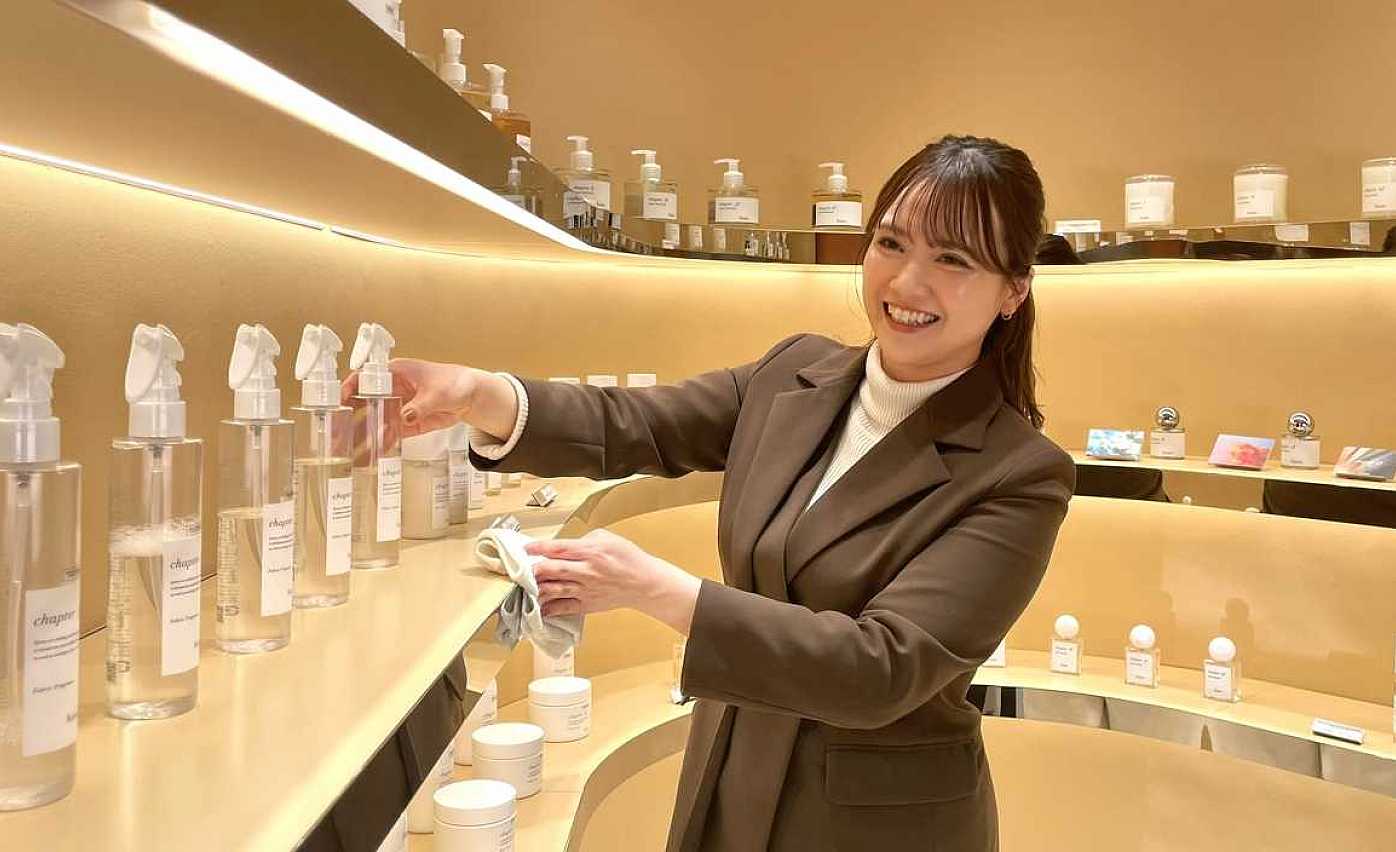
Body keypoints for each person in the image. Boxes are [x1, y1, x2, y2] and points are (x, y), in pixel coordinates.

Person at [343, 135, 1074, 851]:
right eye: (891, 243)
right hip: (733, 773)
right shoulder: (794, 375)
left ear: (1014, 290)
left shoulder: (1018, 473)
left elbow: (879, 669)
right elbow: (638, 424)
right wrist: (476, 393)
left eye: (952, 259)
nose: (907, 283)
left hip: (877, 823)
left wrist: (656, 589)